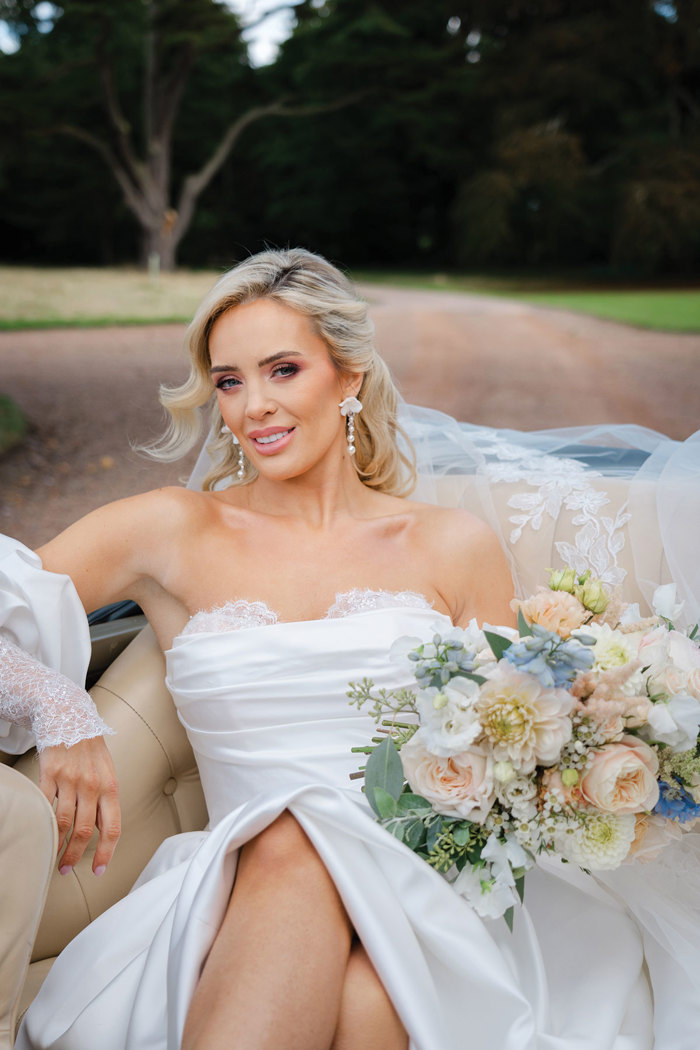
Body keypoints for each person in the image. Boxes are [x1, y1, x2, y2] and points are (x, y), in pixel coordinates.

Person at [1, 247, 698, 1050]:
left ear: (350, 378)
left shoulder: (451, 547)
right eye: (229, 381)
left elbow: (514, 746)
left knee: (372, 988)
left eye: (283, 370)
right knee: (298, 844)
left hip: (429, 888)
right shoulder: (172, 529)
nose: (253, 406)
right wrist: (57, 707)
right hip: (238, 885)